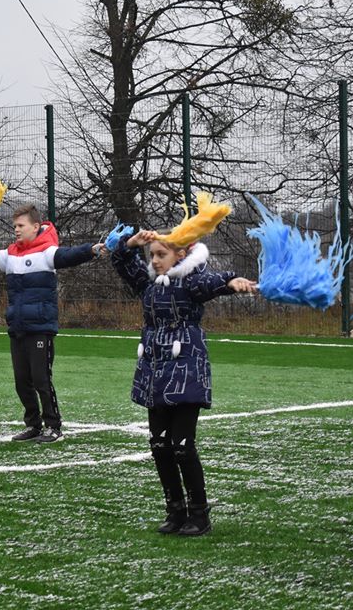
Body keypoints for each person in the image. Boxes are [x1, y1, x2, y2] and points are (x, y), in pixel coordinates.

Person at [110, 229, 256, 536]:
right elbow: (122, 262)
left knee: (182, 445)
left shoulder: (190, 280)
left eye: (161, 254)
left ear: (180, 255)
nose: (155, 260)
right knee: (160, 444)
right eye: (152, 255)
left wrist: (232, 283)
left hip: (187, 368)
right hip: (154, 369)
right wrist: (131, 244)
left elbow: (212, 282)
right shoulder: (148, 282)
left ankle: (199, 513)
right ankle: (174, 509)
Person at [0, 204, 105, 443]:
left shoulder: (47, 252)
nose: (16, 230)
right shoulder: (10, 255)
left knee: (41, 379)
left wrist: (93, 250)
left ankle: (53, 426)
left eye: (21, 226)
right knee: (22, 381)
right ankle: (33, 425)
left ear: (36, 227)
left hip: (41, 328)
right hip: (18, 328)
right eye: (14, 226)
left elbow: (70, 255)